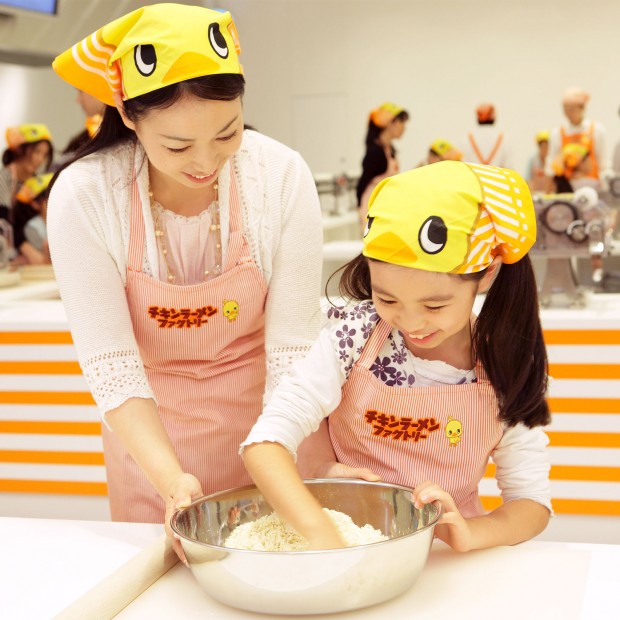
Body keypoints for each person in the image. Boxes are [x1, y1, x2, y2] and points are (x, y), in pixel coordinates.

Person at [47, 3, 334, 555]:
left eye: (227, 134)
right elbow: (112, 369)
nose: (207, 162)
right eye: (177, 146)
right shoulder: (85, 195)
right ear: (128, 116)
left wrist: (275, 461)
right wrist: (172, 482)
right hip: (153, 443)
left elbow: (293, 349)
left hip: (276, 424)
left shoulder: (280, 175)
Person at [242, 161, 552, 552]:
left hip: (446, 560)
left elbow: (531, 502)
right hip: (346, 543)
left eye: (435, 305)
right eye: (387, 298)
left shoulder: (505, 363)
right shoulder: (352, 338)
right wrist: (322, 532)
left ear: (486, 274)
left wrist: (472, 533)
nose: (410, 322)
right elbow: (266, 442)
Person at [355, 102, 409, 222]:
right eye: (401, 122)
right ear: (390, 123)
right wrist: (360, 209)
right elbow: (362, 184)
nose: (404, 128)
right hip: (373, 206)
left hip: (385, 205)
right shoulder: (375, 152)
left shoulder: (389, 150)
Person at [545, 87, 606, 182]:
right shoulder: (557, 133)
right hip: (567, 186)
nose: (569, 113)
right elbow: (551, 164)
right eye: (566, 109)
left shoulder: (596, 130)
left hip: (593, 185)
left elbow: (602, 162)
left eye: (572, 108)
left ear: (582, 108)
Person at [1, 124, 53, 221]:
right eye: (37, 152)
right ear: (20, 149)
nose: (40, 160)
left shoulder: (37, 185)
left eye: (44, 155)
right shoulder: (4, 177)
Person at [11, 172, 53, 265]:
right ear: (35, 204)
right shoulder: (32, 227)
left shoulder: (60, 222)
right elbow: (44, 260)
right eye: (49, 198)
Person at [461, 103, 512, 168]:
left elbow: (463, 163)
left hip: (474, 177)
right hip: (496, 177)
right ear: (493, 117)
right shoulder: (503, 138)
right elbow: (509, 166)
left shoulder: (466, 138)